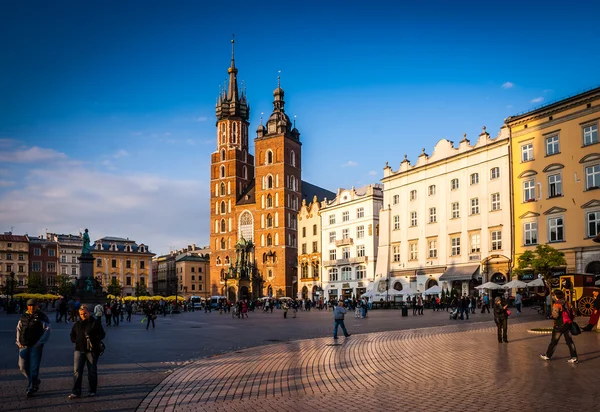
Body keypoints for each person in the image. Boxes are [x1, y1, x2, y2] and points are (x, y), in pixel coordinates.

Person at [16, 299, 51, 397]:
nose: (31, 307)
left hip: (36, 346)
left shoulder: (42, 316)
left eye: (33, 305)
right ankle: (35, 381)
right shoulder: (23, 316)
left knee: (34, 367)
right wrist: (18, 342)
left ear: (37, 306)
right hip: (23, 345)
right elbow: (18, 329)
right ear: (27, 306)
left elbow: (47, 330)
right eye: (29, 306)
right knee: (22, 366)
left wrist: (39, 342)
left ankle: (30, 388)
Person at [68, 304, 105, 399]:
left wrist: (93, 339)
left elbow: (102, 334)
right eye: (81, 314)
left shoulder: (95, 322)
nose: (83, 315)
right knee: (77, 371)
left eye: (85, 313)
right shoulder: (77, 323)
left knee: (92, 371)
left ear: (88, 313)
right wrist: (75, 340)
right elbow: (72, 334)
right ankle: (76, 391)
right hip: (79, 350)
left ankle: (92, 390)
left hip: (91, 351)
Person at [540, 289, 578, 363]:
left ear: (556, 296)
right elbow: (573, 313)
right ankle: (574, 357)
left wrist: (551, 316)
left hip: (559, 325)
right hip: (568, 324)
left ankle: (548, 355)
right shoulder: (568, 303)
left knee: (554, 341)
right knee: (570, 342)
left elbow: (555, 315)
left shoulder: (556, 304)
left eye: (554, 295)